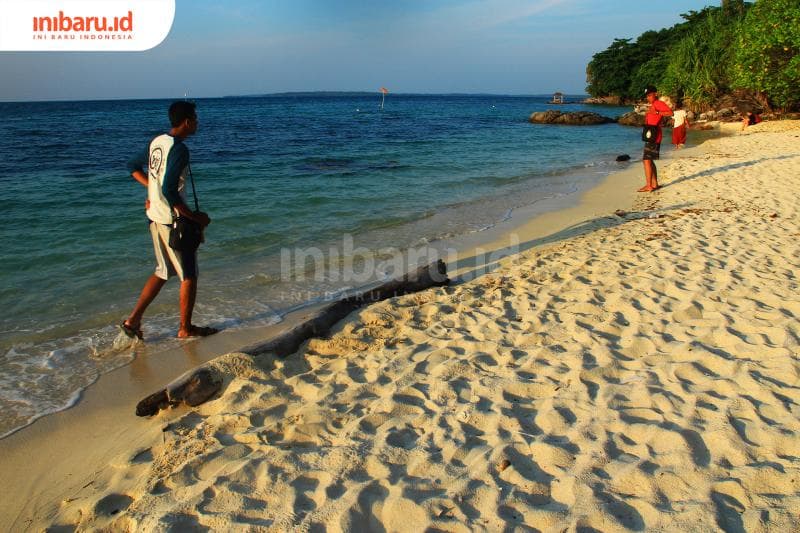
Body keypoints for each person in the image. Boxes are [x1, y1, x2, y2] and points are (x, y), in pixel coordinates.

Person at [121, 101, 218, 339]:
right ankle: (185, 328)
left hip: (154, 217)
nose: (197, 122)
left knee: (163, 271)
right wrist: (195, 217)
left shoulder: (158, 142)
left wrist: (150, 192)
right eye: (195, 118)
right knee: (189, 275)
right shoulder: (179, 149)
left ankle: (132, 321)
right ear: (186, 121)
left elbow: (133, 166)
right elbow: (170, 190)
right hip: (171, 221)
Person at [640, 85, 673, 192]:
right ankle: (654, 184)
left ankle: (649, 185)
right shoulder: (653, 104)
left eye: (650, 95)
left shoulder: (658, 103)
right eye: (647, 96)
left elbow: (670, 113)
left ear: (656, 94)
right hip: (651, 134)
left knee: (646, 160)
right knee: (649, 160)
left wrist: (657, 112)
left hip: (654, 135)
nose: (648, 97)